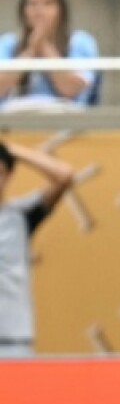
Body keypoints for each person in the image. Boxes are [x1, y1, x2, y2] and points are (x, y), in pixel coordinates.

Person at [0, 142, 74, 357]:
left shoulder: (20, 215)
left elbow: (65, 175)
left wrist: (11, 149)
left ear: (9, 175)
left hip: (13, 342)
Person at [0, 0, 99, 107]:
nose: (39, 10)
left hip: (67, 119)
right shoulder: (8, 43)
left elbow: (71, 88)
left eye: (48, 3)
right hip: (15, 120)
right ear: (23, 11)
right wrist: (30, 52)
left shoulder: (80, 42)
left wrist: (46, 48)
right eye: (32, 4)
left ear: (61, 10)